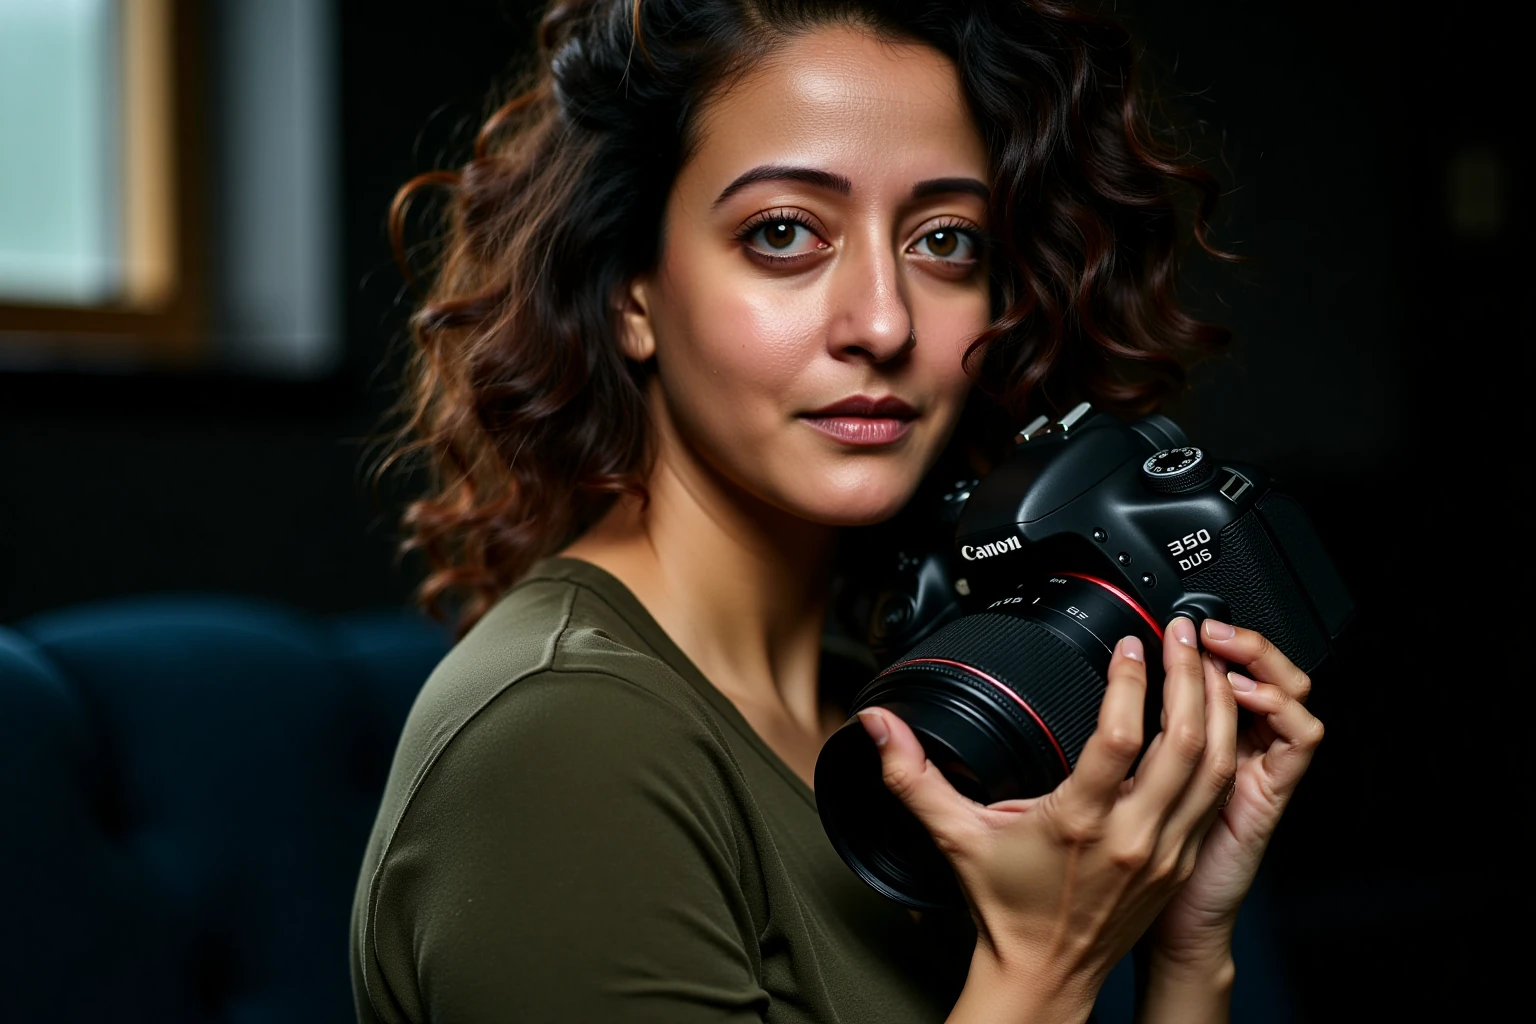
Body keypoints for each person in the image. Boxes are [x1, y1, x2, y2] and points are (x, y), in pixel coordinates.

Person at [350, 1, 1325, 1021]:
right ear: (629, 291)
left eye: (945, 240)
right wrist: (1044, 964)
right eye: (784, 234)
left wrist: (1188, 946)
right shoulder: (559, 748)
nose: (884, 321)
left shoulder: (888, 701)